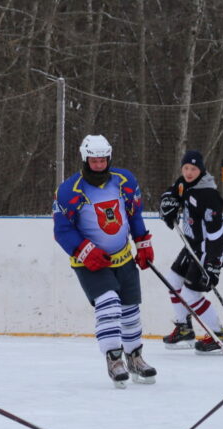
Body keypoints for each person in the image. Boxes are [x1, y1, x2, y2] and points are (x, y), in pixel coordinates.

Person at [52, 134, 157, 388]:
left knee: (130, 309)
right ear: (85, 158)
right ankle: (114, 359)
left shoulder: (125, 181)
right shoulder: (69, 190)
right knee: (109, 303)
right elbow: (62, 230)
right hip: (91, 263)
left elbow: (134, 215)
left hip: (123, 258)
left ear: (109, 157)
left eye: (102, 160)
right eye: (94, 160)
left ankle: (135, 357)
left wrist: (142, 243)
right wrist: (84, 250)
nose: (98, 164)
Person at [158, 150, 223, 354]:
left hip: (209, 249)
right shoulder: (184, 183)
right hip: (192, 245)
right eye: (186, 168)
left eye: (194, 169)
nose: (189, 172)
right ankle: (184, 328)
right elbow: (172, 192)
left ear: (201, 170)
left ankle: (219, 335)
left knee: (191, 293)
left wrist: (213, 264)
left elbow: (217, 234)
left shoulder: (208, 195)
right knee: (173, 281)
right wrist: (167, 203)